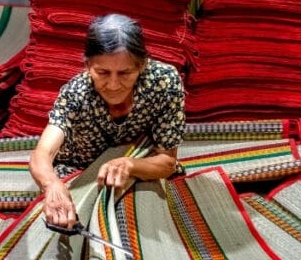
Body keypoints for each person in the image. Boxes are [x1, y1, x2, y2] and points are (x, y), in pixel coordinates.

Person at [29, 13, 186, 228]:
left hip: (137, 163)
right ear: (87, 66)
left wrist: (129, 164)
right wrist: (52, 185)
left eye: (125, 73)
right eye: (102, 72)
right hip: (81, 170)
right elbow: (42, 153)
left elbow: (167, 161)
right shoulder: (77, 93)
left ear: (141, 65)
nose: (113, 85)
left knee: (141, 216)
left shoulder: (163, 82)